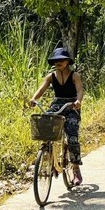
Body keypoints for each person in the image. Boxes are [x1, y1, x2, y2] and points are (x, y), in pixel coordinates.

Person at [28, 47, 85, 185]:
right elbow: (41, 89)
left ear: (67, 62)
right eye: (56, 60)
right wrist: (34, 99)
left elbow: (80, 90)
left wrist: (78, 101)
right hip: (57, 104)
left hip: (71, 106)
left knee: (72, 136)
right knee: (46, 126)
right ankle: (50, 157)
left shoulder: (74, 75)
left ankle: (76, 169)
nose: (58, 62)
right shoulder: (51, 76)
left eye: (61, 60)